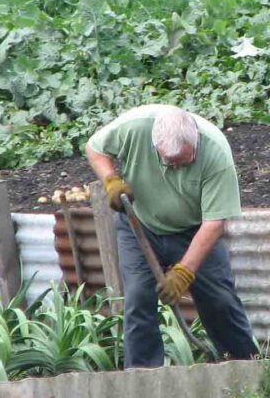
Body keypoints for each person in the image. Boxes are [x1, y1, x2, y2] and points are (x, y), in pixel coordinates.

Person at [85, 104, 259, 368]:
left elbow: (214, 224)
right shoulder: (135, 127)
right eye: (169, 162)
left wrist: (183, 273)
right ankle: (142, 378)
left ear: (195, 142)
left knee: (220, 300)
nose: (176, 167)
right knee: (138, 299)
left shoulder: (216, 153)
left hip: (194, 230)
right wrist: (110, 179)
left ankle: (245, 369)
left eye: (183, 162)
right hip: (139, 226)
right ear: (154, 146)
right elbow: (94, 148)